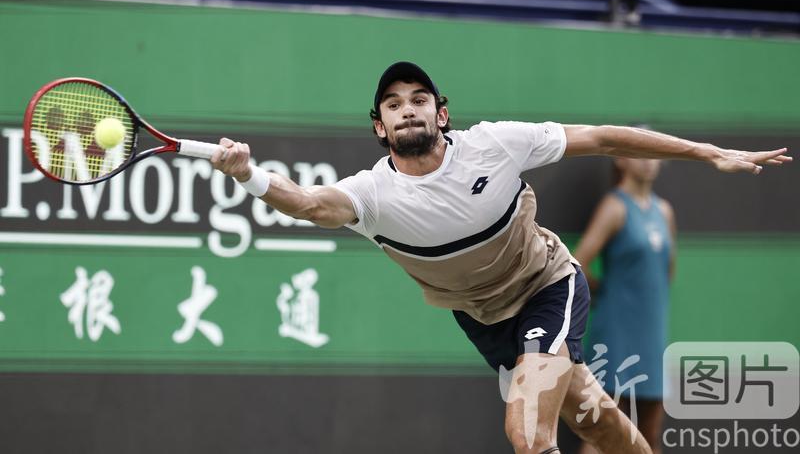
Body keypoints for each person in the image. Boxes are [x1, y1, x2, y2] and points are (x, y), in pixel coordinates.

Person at [210, 61, 791, 454]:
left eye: (418, 100)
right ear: (379, 127)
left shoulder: (495, 144)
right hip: (485, 321)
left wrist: (706, 151)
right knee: (598, 419)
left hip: (547, 285)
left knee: (527, 433)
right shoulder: (371, 195)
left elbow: (604, 138)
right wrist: (249, 176)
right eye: (392, 104)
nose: (406, 109)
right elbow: (309, 203)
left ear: (441, 113)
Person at [574, 154, 674, 454]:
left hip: (652, 335)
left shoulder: (665, 211)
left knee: (649, 435)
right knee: (601, 433)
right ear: (620, 160)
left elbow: (667, 271)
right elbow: (577, 265)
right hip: (615, 334)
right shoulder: (614, 207)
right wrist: (607, 291)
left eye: (653, 154)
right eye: (638, 153)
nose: (648, 161)